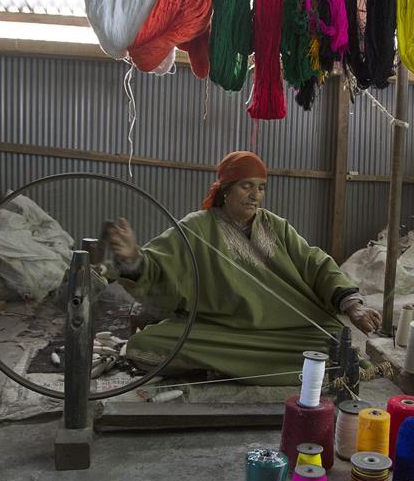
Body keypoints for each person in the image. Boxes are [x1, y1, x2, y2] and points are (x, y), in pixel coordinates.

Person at [108, 150, 381, 385]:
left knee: (333, 342)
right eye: (246, 186)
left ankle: (221, 368)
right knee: (144, 346)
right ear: (226, 189)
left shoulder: (276, 226)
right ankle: (226, 365)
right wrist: (132, 257)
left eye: (261, 187)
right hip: (223, 332)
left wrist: (352, 305)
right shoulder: (196, 227)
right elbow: (157, 268)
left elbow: (315, 263)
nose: (255, 196)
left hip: (287, 331)